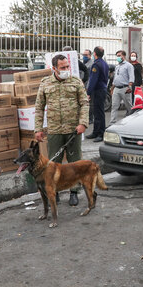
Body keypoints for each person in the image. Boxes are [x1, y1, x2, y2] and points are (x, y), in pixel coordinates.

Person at [34, 54, 89, 207]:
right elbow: (39, 107)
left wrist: (83, 123)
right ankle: (54, 192)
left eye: (67, 66)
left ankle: (74, 192)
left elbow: (84, 103)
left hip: (74, 130)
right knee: (53, 163)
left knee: (75, 163)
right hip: (54, 130)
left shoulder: (76, 81)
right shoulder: (45, 83)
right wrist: (38, 129)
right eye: (62, 67)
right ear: (54, 69)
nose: (66, 70)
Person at [86, 46, 109, 142]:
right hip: (102, 89)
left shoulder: (96, 65)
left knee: (99, 112)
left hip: (98, 90)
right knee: (97, 111)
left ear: (94, 54)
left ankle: (101, 133)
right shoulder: (104, 63)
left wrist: (88, 92)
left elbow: (93, 80)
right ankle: (95, 131)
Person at [110, 50, 134, 125]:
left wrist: (129, 87)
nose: (118, 57)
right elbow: (115, 78)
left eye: (119, 56)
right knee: (114, 106)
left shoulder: (129, 66)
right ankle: (112, 122)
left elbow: (131, 77)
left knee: (129, 106)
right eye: (117, 56)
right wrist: (112, 88)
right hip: (116, 88)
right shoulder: (117, 66)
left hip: (125, 88)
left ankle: (132, 121)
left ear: (124, 56)